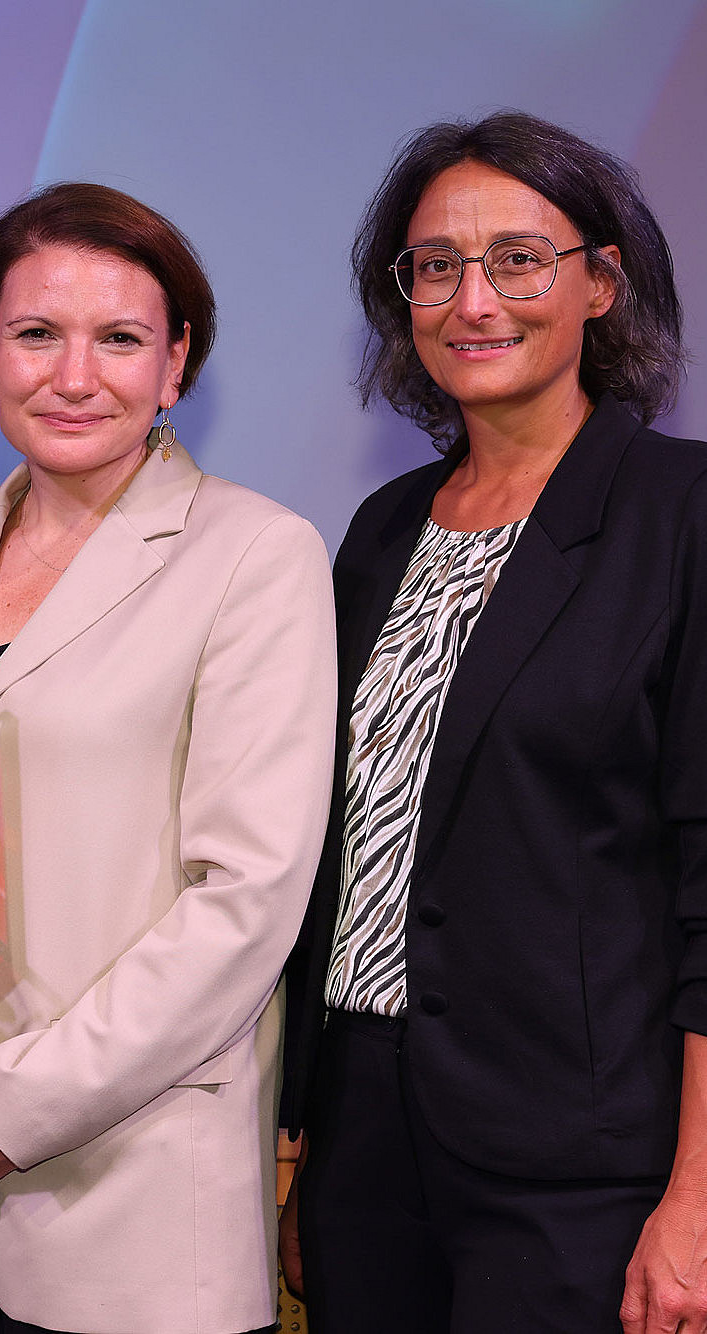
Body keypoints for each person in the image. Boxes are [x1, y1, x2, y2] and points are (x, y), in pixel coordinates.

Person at [0, 182, 337, 1334]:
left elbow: (244, 904)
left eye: (121, 338)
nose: (74, 373)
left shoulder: (257, 554)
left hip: (134, 1218)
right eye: (35, 333)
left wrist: (3, 1104)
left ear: (175, 363)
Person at [277, 111, 699, 1334]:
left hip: (583, 1172)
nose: (473, 298)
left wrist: (696, 1200)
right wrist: (316, 1145)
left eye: (518, 258)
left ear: (600, 283)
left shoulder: (681, 515)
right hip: (368, 1146)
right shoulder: (378, 531)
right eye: (434, 265)